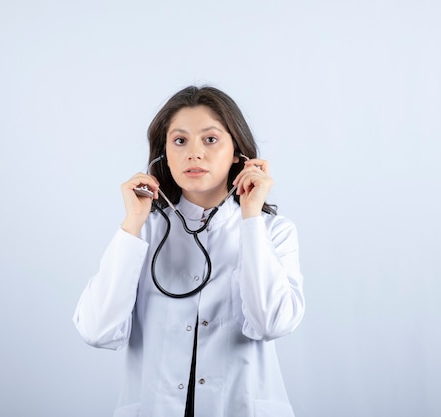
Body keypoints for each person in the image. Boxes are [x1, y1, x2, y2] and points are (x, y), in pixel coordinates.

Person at [73, 85, 305, 417]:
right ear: (164, 154)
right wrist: (133, 222)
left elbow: (271, 323)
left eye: (210, 139)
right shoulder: (144, 232)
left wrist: (251, 217)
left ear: (238, 153)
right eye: (180, 141)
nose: (194, 154)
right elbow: (96, 330)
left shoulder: (272, 232)